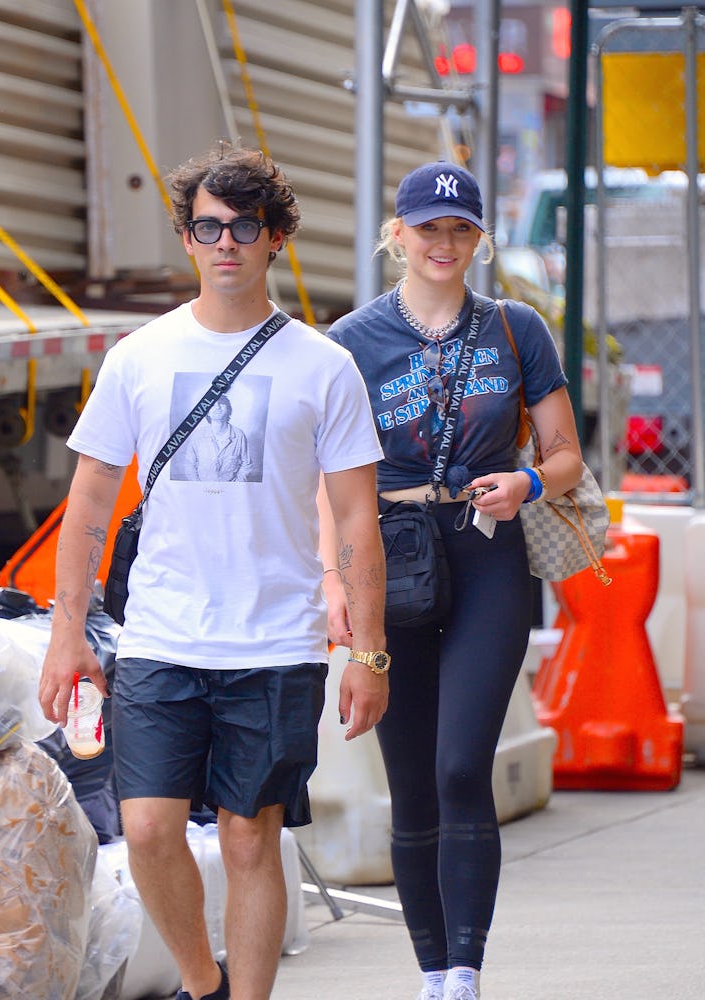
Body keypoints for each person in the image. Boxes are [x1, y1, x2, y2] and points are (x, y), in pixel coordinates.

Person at [38, 142, 389, 1000]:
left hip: (275, 644)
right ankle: (207, 985)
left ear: (276, 239)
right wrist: (66, 635)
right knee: (150, 830)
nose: (225, 242)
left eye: (245, 226)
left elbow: (353, 516)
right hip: (163, 635)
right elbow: (88, 499)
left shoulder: (323, 365)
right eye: (208, 226)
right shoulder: (139, 356)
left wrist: (370, 652)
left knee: (247, 836)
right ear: (187, 240)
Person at [322, 160, 583, 1000]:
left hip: (486, 554)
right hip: (389, 561)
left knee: (462, 767)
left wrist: (529, 483)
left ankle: (464, 973)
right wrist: (335, 581)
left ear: (479, 238)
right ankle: (431, 971)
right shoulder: (350, 343)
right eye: (427, 228)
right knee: (412, 783)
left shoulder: (516, 328)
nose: (444, 242)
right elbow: (328, 483)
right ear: (396, 235)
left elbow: (568, 454)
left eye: (460, 228)